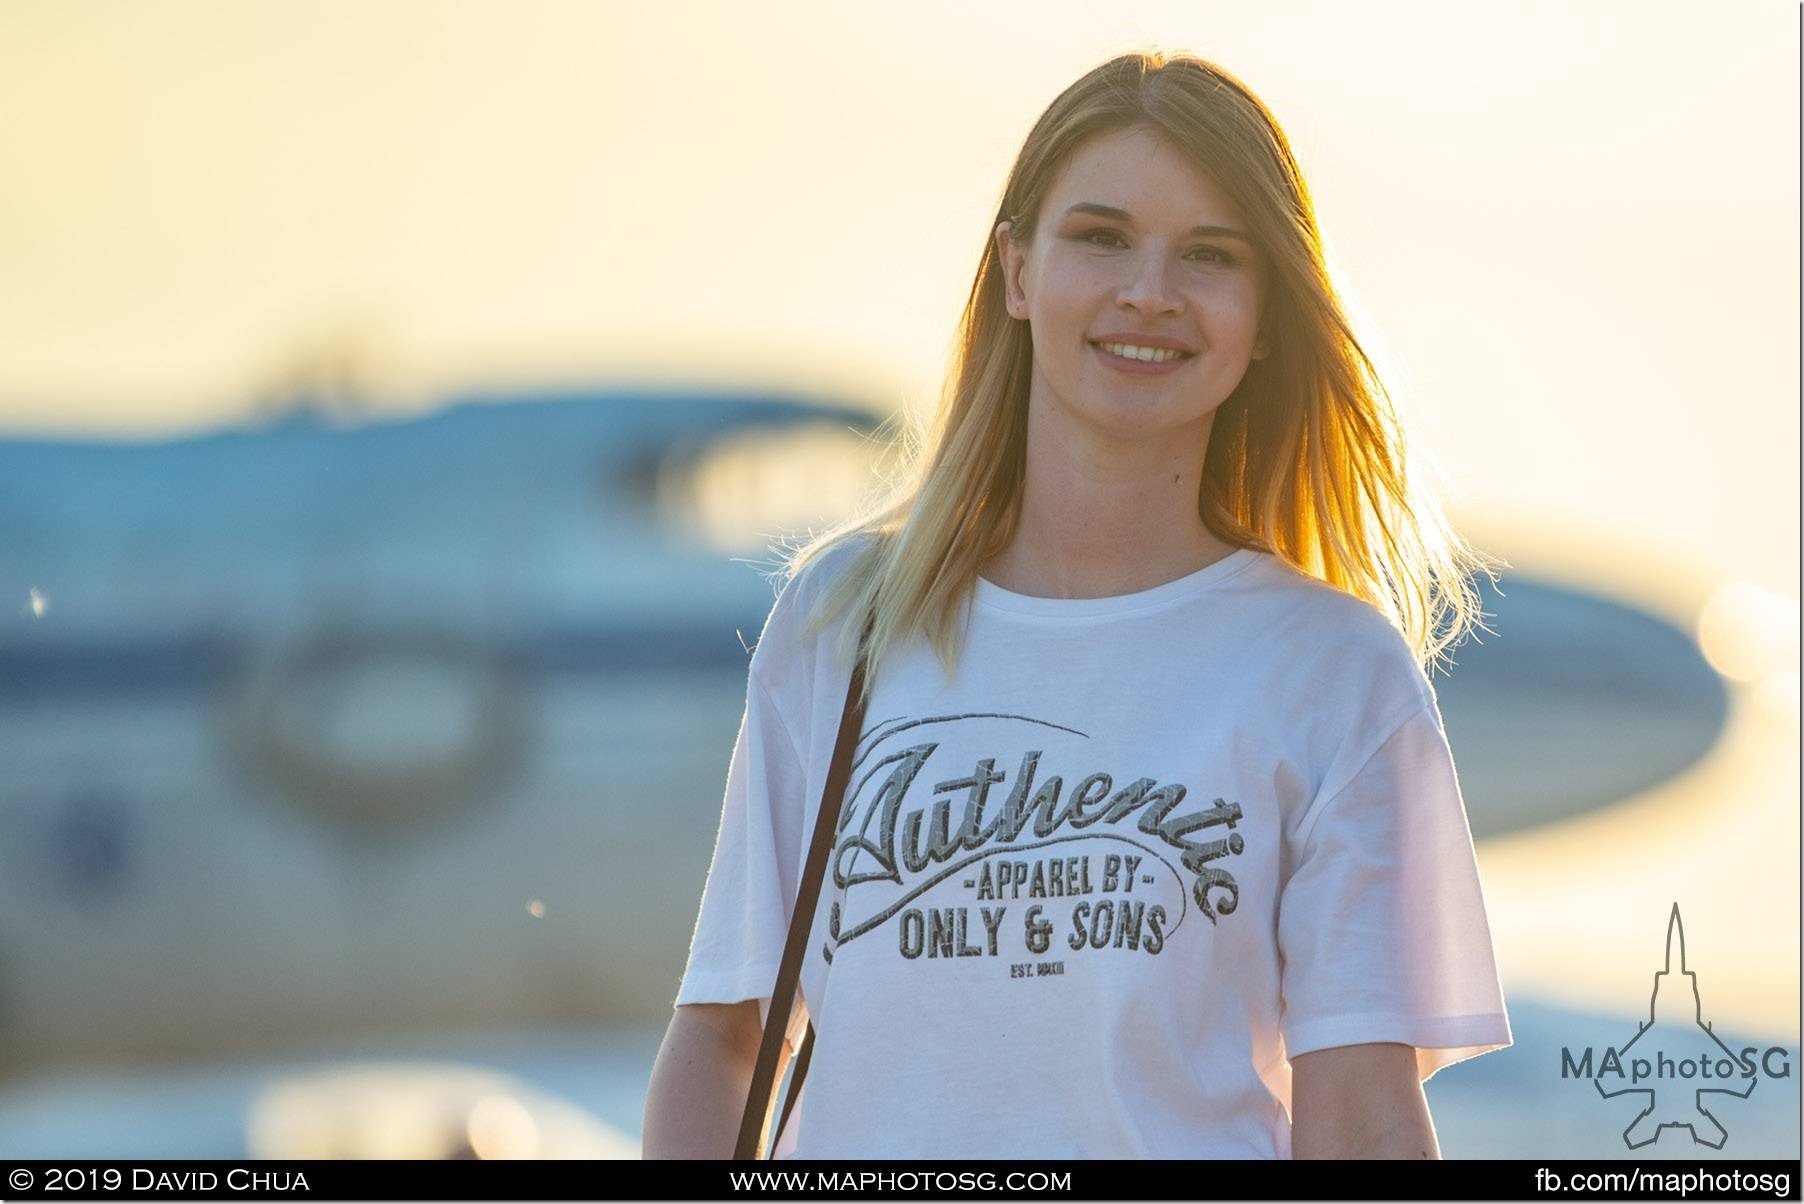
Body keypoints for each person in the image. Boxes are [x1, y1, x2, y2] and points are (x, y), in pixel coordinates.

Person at [642, 48, 1512, 1160]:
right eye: (1101, 237)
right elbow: (725, 1034)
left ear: (1263, 318)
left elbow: (1359, 1114)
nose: (1149, 292)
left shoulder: (1332, 671)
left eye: (1208, 255)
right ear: (1016, 271)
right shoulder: (845, 620)